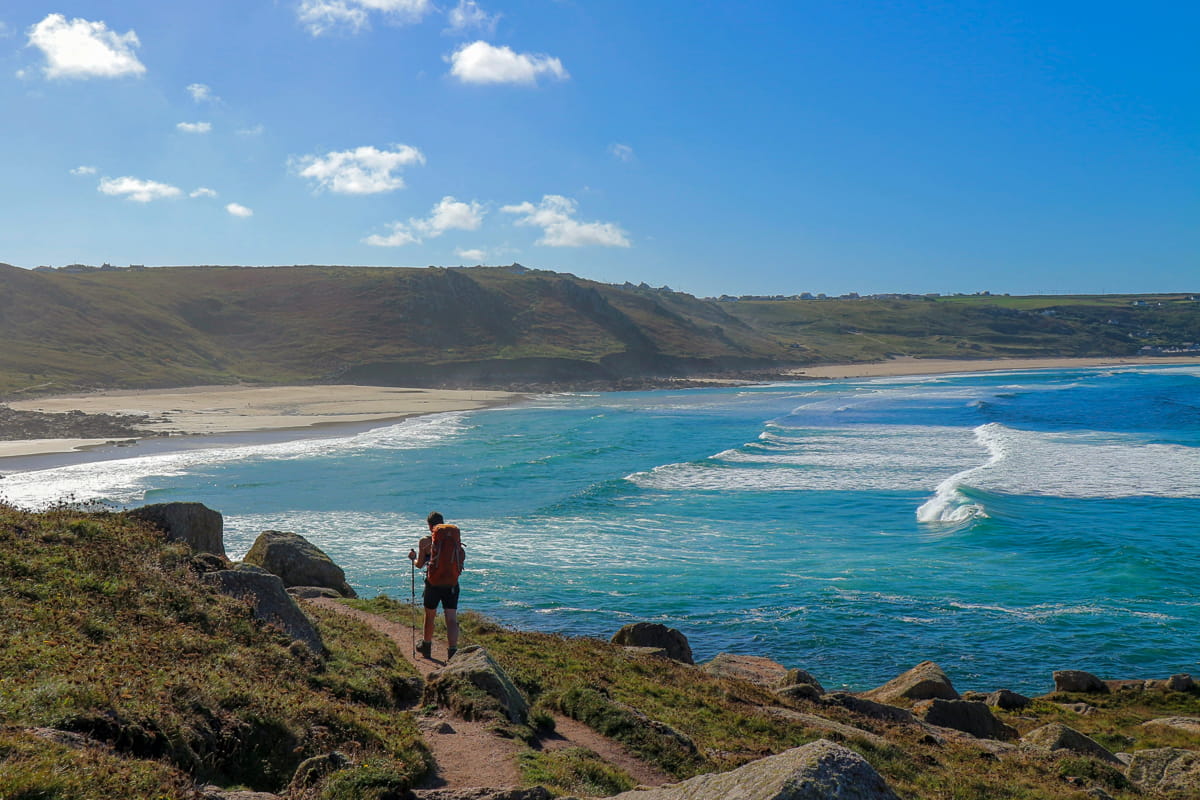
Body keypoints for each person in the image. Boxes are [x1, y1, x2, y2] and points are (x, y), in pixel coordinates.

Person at [408, 511, 465, 660]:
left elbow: (420, 565)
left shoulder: (425, 542)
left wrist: (413, 559)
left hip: (433, 584)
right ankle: (452, 651)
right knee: (451, 618)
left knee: (430, 615)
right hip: (452, 583)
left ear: (429, 525)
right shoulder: (453, 540)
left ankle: (426, 646)